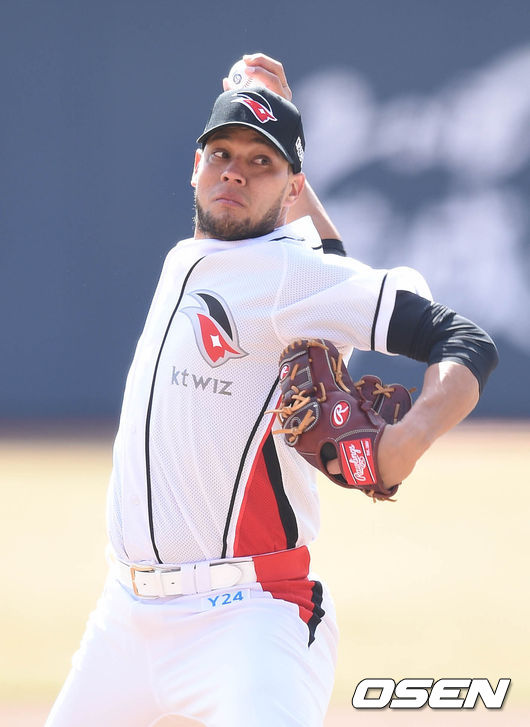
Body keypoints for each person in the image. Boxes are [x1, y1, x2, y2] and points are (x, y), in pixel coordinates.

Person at [45, 54, 498, 727]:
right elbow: (331, 263)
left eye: (262, 162)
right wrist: (276, 123)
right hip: (124, 618)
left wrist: (406, 441)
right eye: (222, 154)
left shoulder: (286, 275)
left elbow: (465, 339)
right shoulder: (191, 257)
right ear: (195, 167)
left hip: (248, 619)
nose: (235, 171)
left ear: (292, 189)